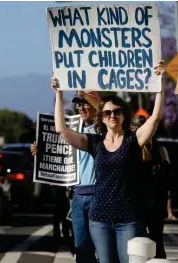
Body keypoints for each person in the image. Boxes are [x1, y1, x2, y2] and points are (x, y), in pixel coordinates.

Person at [51, 60, 166, 263]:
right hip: (99, 219)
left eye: (117, 112)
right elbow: (61, 129)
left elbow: (155, 118)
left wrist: (159, 83)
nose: (112, 115)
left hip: (129, 219)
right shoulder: (94, 142)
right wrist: (59, 94)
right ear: (101, 117)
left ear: (124, 115)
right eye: (107, 112)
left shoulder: (133, 140)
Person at [31, 90, 100, 263]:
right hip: (77, 196)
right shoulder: (74, 131)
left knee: (102, 246)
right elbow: (60, 133)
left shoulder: (104, 130)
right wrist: (42, 153)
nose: (81, 107)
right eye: (78, 104)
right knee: (82, 246)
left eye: (86, 103)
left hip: (99, 194)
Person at [131, 115, 171, 259]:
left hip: (156, 200)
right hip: (138, 201)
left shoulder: (159, 148)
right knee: (139, 240)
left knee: (157, 240)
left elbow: (166, 173)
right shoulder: (132, 146)